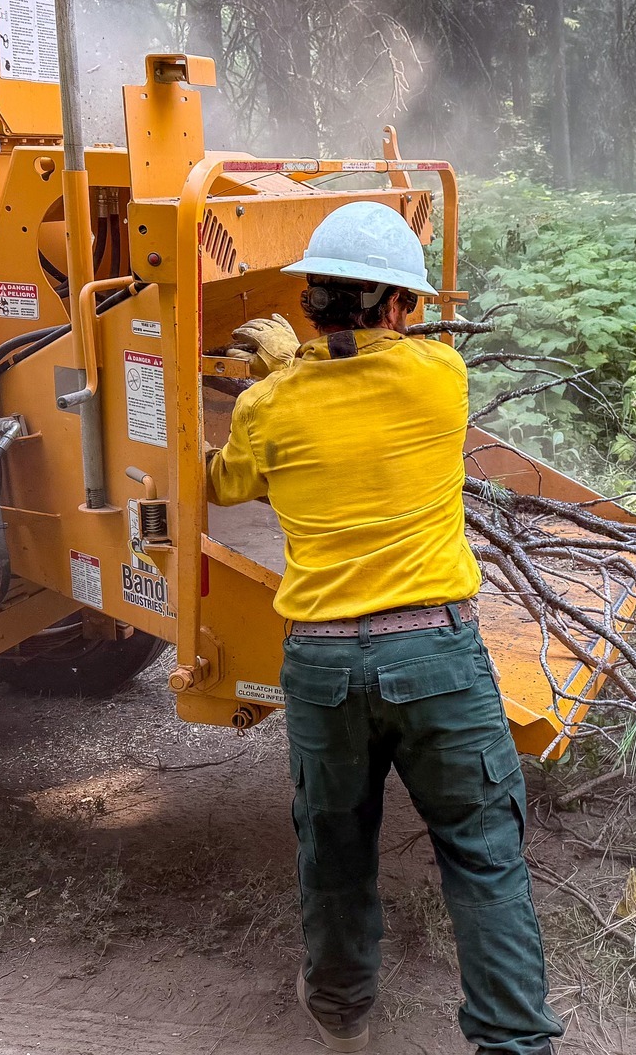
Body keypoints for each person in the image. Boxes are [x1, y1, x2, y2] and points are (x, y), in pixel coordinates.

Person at [210, 201, 562, 1055]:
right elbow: (383, 362)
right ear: (400, 307)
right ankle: (514, 1043)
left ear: (309, 303)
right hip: (435, 653)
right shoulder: (440, 377)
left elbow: (226, 486)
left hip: (323, 668)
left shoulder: (267, 407)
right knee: (482, 852)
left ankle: (340, 1013)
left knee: (333, 846)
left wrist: (272, 373)